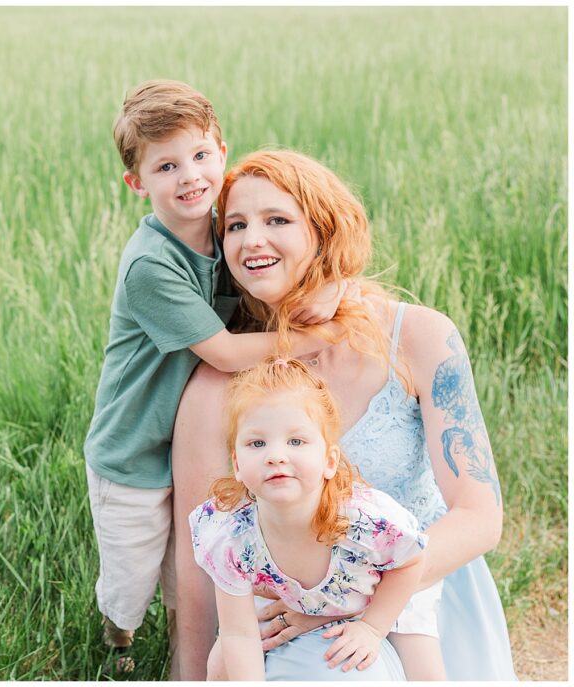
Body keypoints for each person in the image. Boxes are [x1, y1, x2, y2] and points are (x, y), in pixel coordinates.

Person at [171, 149, 516, 680]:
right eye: (235, 225)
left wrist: (344, 596)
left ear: (326, 232)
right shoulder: (219, 384)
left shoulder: (420, 338)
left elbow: (479, 515)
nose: (251, 240)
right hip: (286, 619)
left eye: (277, 220)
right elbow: (202, 564)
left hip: (426, 591)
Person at [85, 83, 349, 676]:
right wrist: (313, 338)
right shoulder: (151, 265)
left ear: (222, 152)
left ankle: (193, 635)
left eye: (201, 156)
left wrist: (333, 291)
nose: (190, 177)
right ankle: (117, 638)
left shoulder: (228, 226)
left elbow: (279, 271)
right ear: (138, 182)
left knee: (195, 558)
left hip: (195, 433)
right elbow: (227, 350)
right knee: (131, 571)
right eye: (167, 166)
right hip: (133, 449)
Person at [191, 357, 446, 680]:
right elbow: (238, 634)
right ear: (237, 464)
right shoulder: (231, 537)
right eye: (257, 443)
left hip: (376, 594)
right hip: (298, 599)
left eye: (296, 441)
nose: (276, 455)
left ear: (329, 460)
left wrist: (371, 627)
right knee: (220, 665)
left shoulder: (364, 521)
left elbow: (411, 562)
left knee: (427, 674)